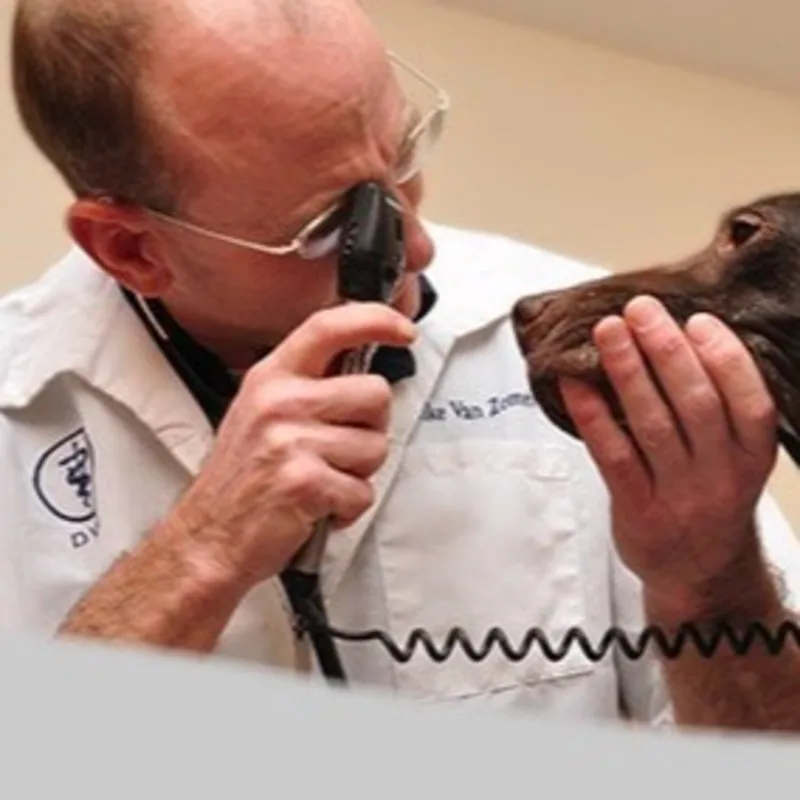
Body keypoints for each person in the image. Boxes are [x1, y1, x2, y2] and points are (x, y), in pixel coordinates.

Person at [5, 0, 800, 731]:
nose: (416, 248)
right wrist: (199, 552)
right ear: (131, 249)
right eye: (329, 225)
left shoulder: (579, 332)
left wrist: (712, 579)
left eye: (407, 151)